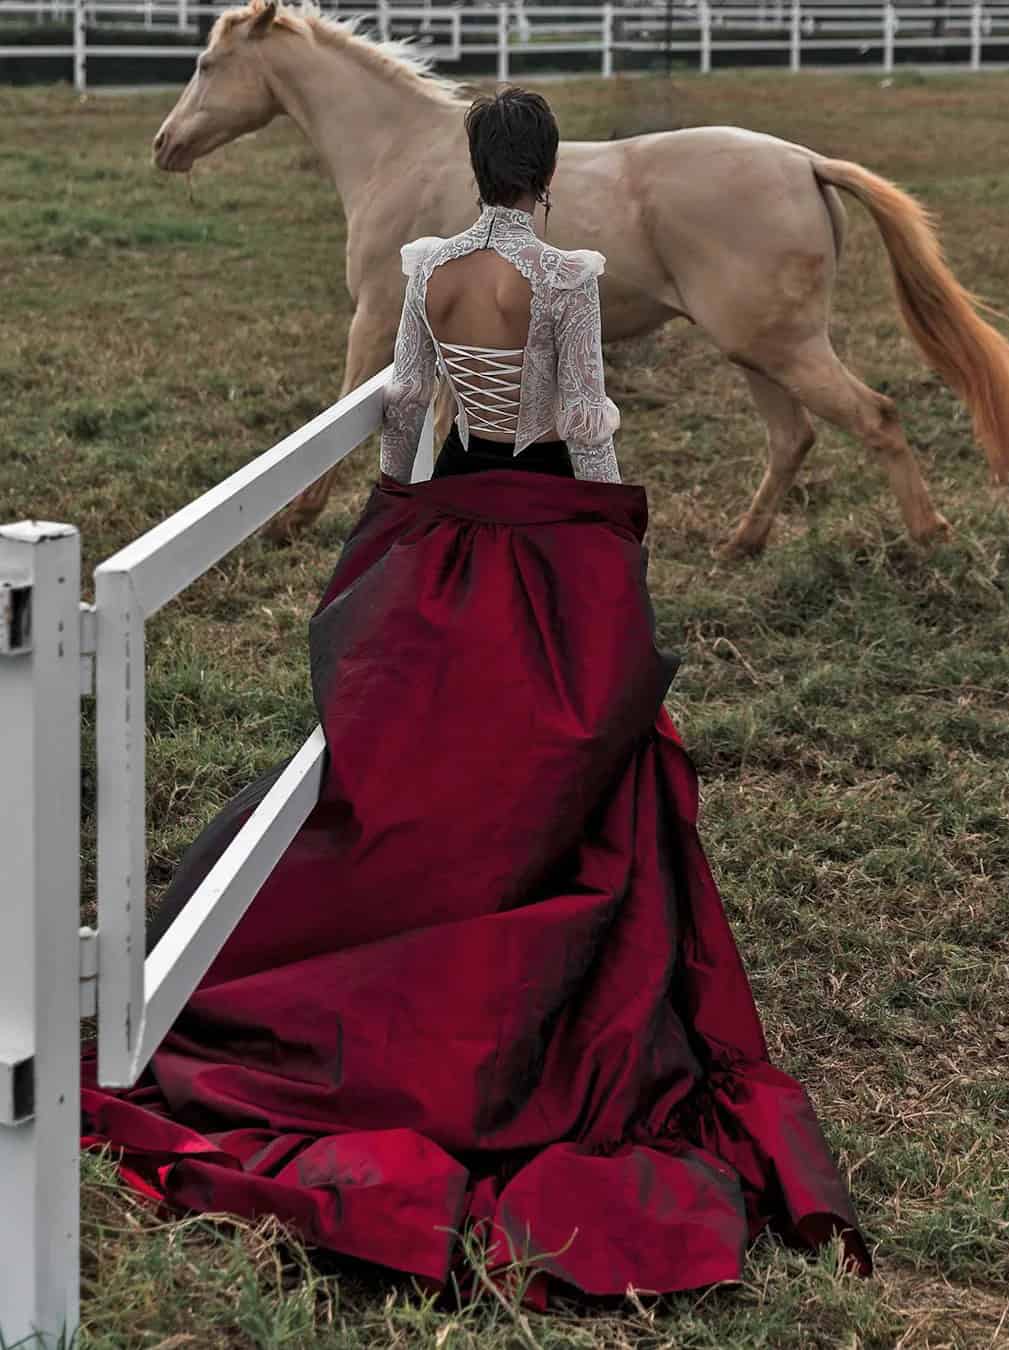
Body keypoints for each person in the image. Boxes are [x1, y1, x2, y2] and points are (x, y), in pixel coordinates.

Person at [81, 87, 872, 1309]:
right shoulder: (565, 276)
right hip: (545, 502)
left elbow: (409, 399)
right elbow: (583, 419)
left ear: (474, 166)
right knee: (561, 704)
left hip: (450, 495)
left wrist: (407, 507)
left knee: (430, 709)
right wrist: (602, 521)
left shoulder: (425, 262)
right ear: (547, 176)